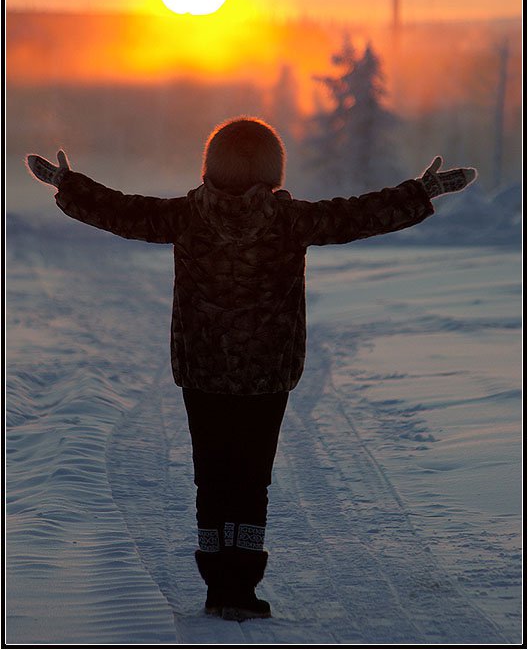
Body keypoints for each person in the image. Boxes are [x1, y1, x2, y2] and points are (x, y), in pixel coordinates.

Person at [26, 117, 476, 621]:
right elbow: (360, 215)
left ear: (212, 165)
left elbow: (121, 211)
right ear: (272, 168)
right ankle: (241, 586)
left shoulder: (186, 217)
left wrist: (69, 185)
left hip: (202, 373)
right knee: (251, 480)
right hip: (267, 375)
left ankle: (219, 586)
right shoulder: (290, 221)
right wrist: (423, 191)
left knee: (211, 478)